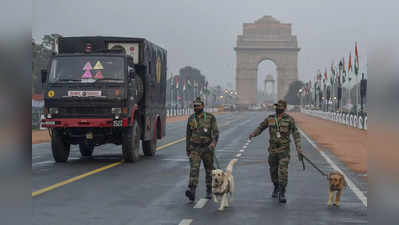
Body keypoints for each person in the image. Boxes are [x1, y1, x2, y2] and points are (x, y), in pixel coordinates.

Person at [248, 100, 302, 203]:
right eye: (277, 106)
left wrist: (298, 147)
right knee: (273, 171)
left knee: (283, 171)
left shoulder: (289, 120)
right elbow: (261, 127)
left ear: (284, 108)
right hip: (272, 150)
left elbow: (296, 133)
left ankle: (282, 192)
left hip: (284, 150)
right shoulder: (270, 119)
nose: (278, 108)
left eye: (280, 107)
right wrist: (253, 134)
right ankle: (276, 186)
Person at [185, 97, 219, 202]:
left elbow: (216, 132)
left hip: (207, 148)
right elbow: (188, 135)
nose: (196, 107)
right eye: (195, 106)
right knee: (194, 169)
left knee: (209, 170)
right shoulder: (191, 119)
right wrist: (188, 148)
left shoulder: (210, 117)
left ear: (203, 106)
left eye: (198, 105)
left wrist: (213, 143)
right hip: (195, 148)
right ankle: (192, 191)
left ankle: (209, 190)